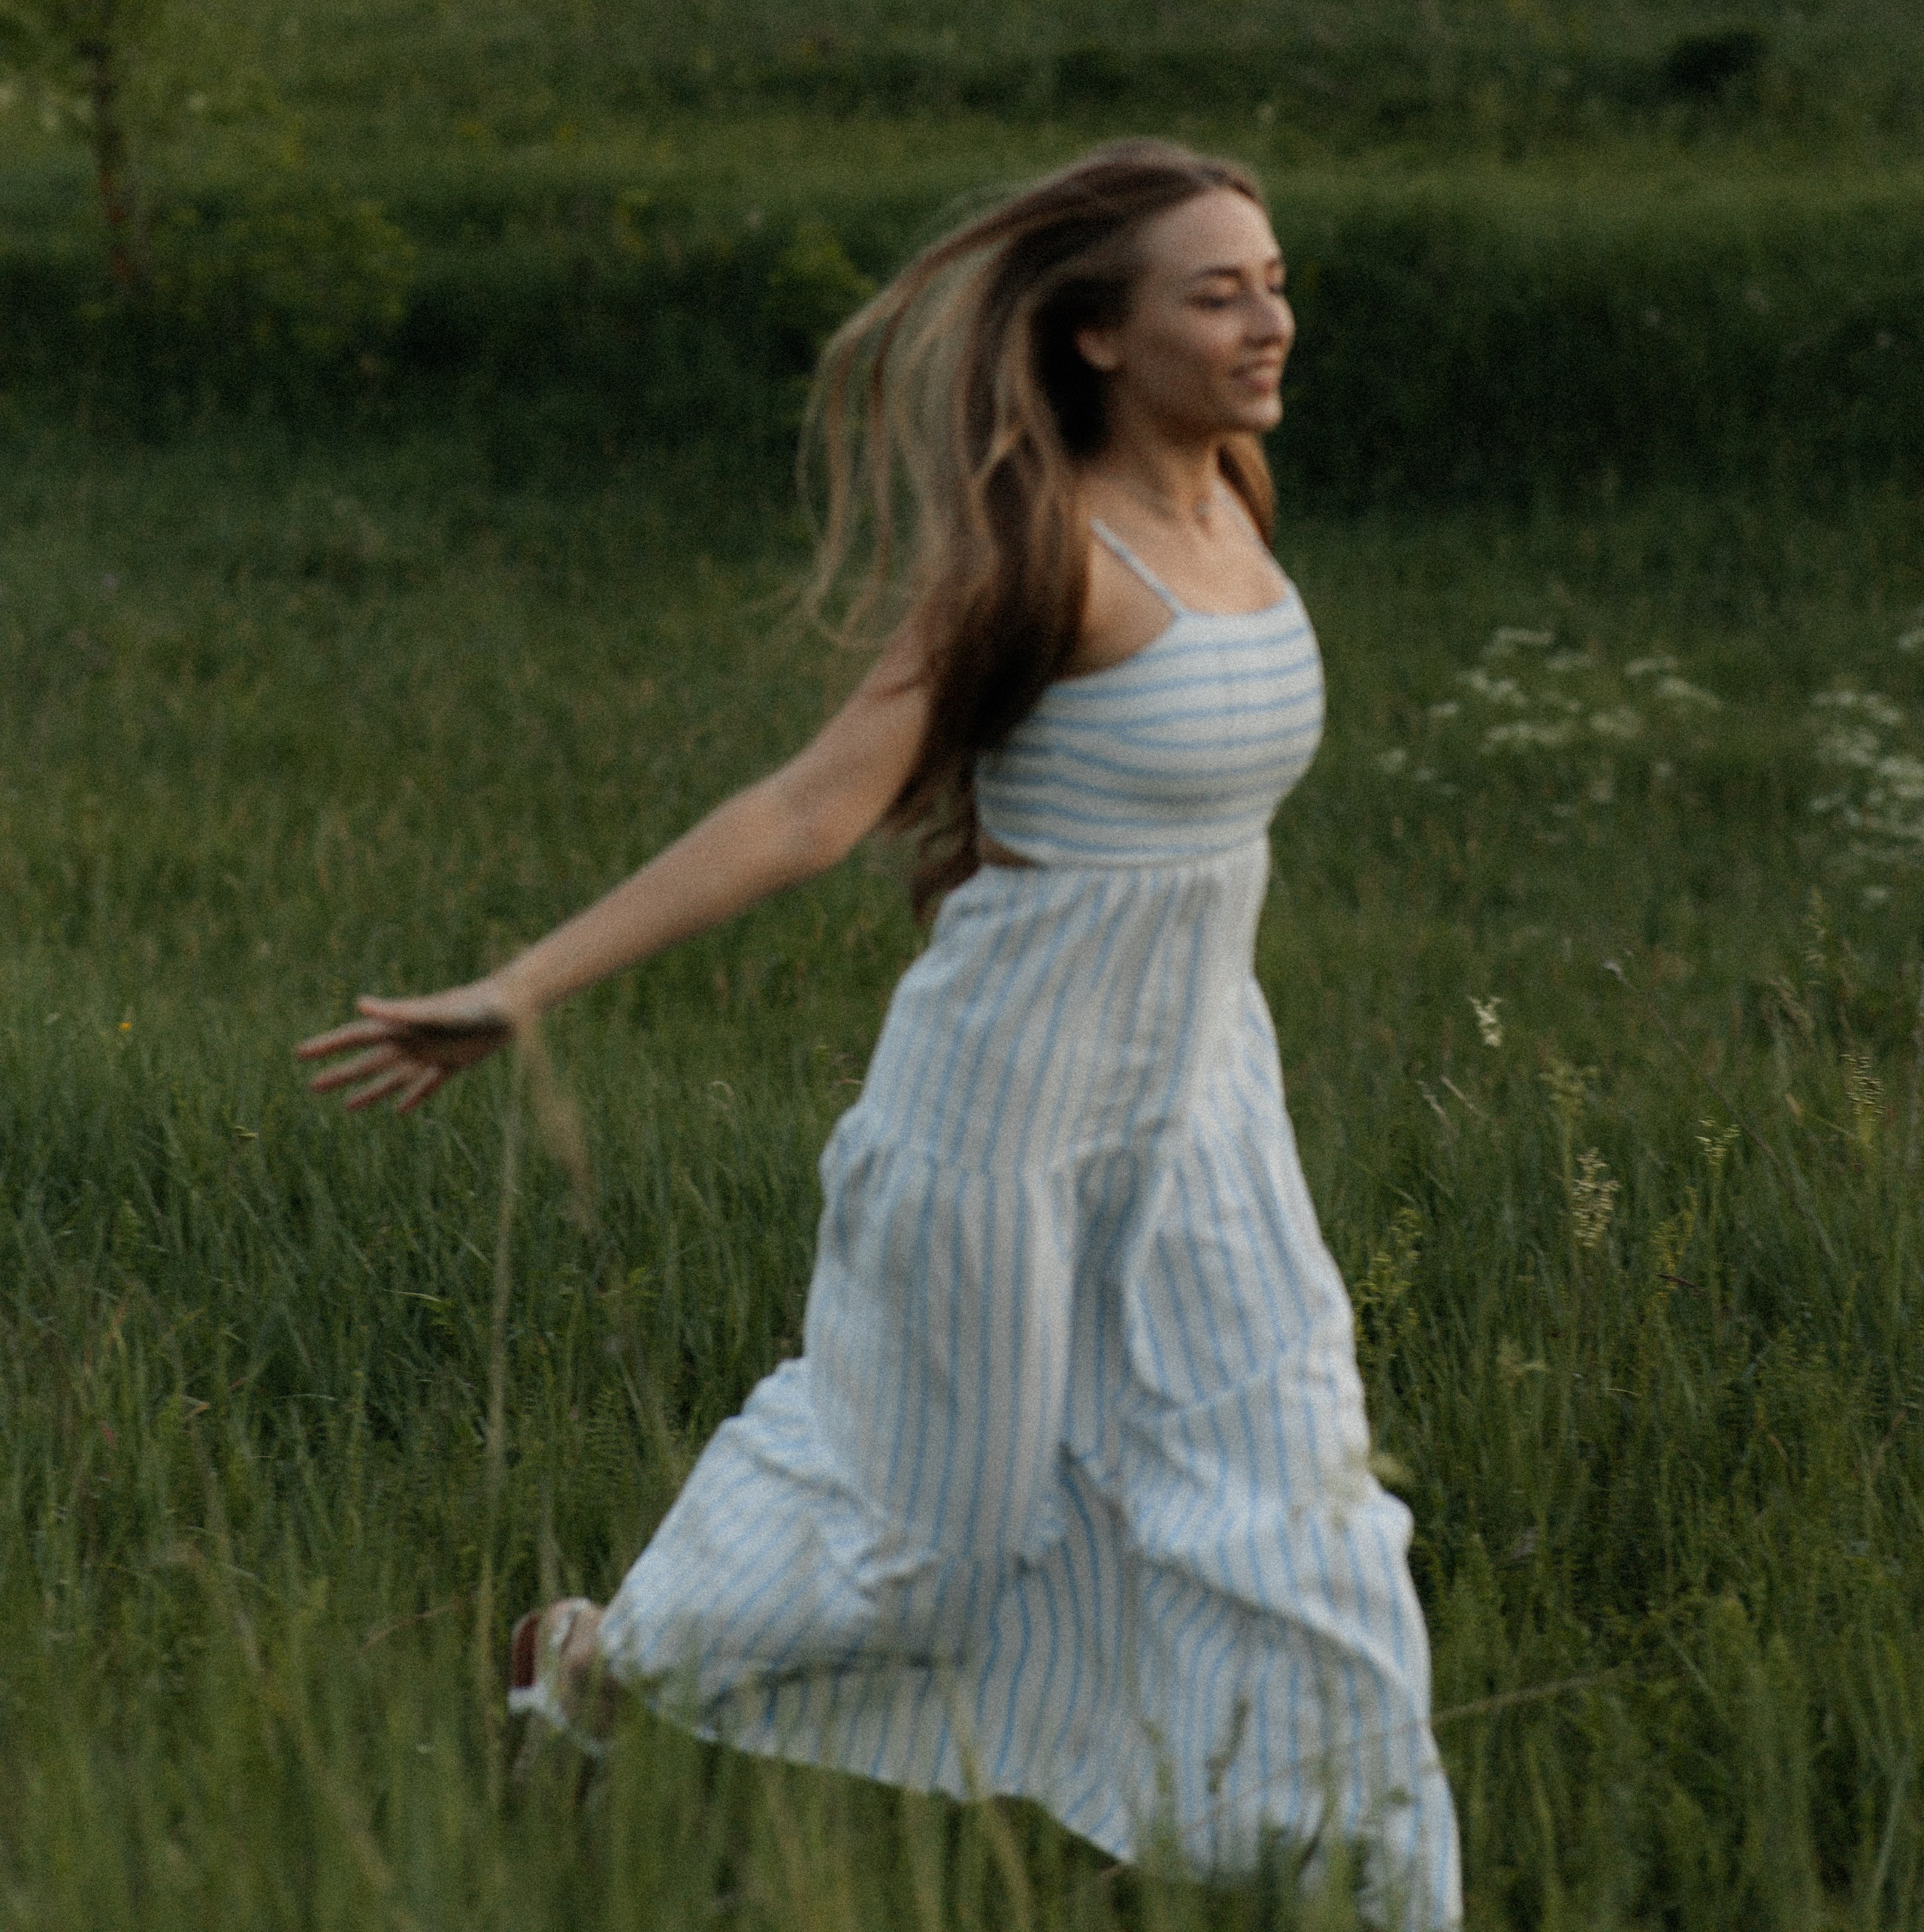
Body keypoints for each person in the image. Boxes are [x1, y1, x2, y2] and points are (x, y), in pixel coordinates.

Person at [299, 140, 1461, 1927]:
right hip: (998, 1117)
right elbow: (808, 810)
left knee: (1299, 1510)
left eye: (1274, 280)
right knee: (920, 1554)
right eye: (1214, 292)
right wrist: (524, 984)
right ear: (1093, 337)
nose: (1266, 322)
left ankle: (1357, 1885)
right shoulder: (1036, 562)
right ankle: (590, 1664)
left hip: (1207, 1109)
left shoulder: (1234, 489)